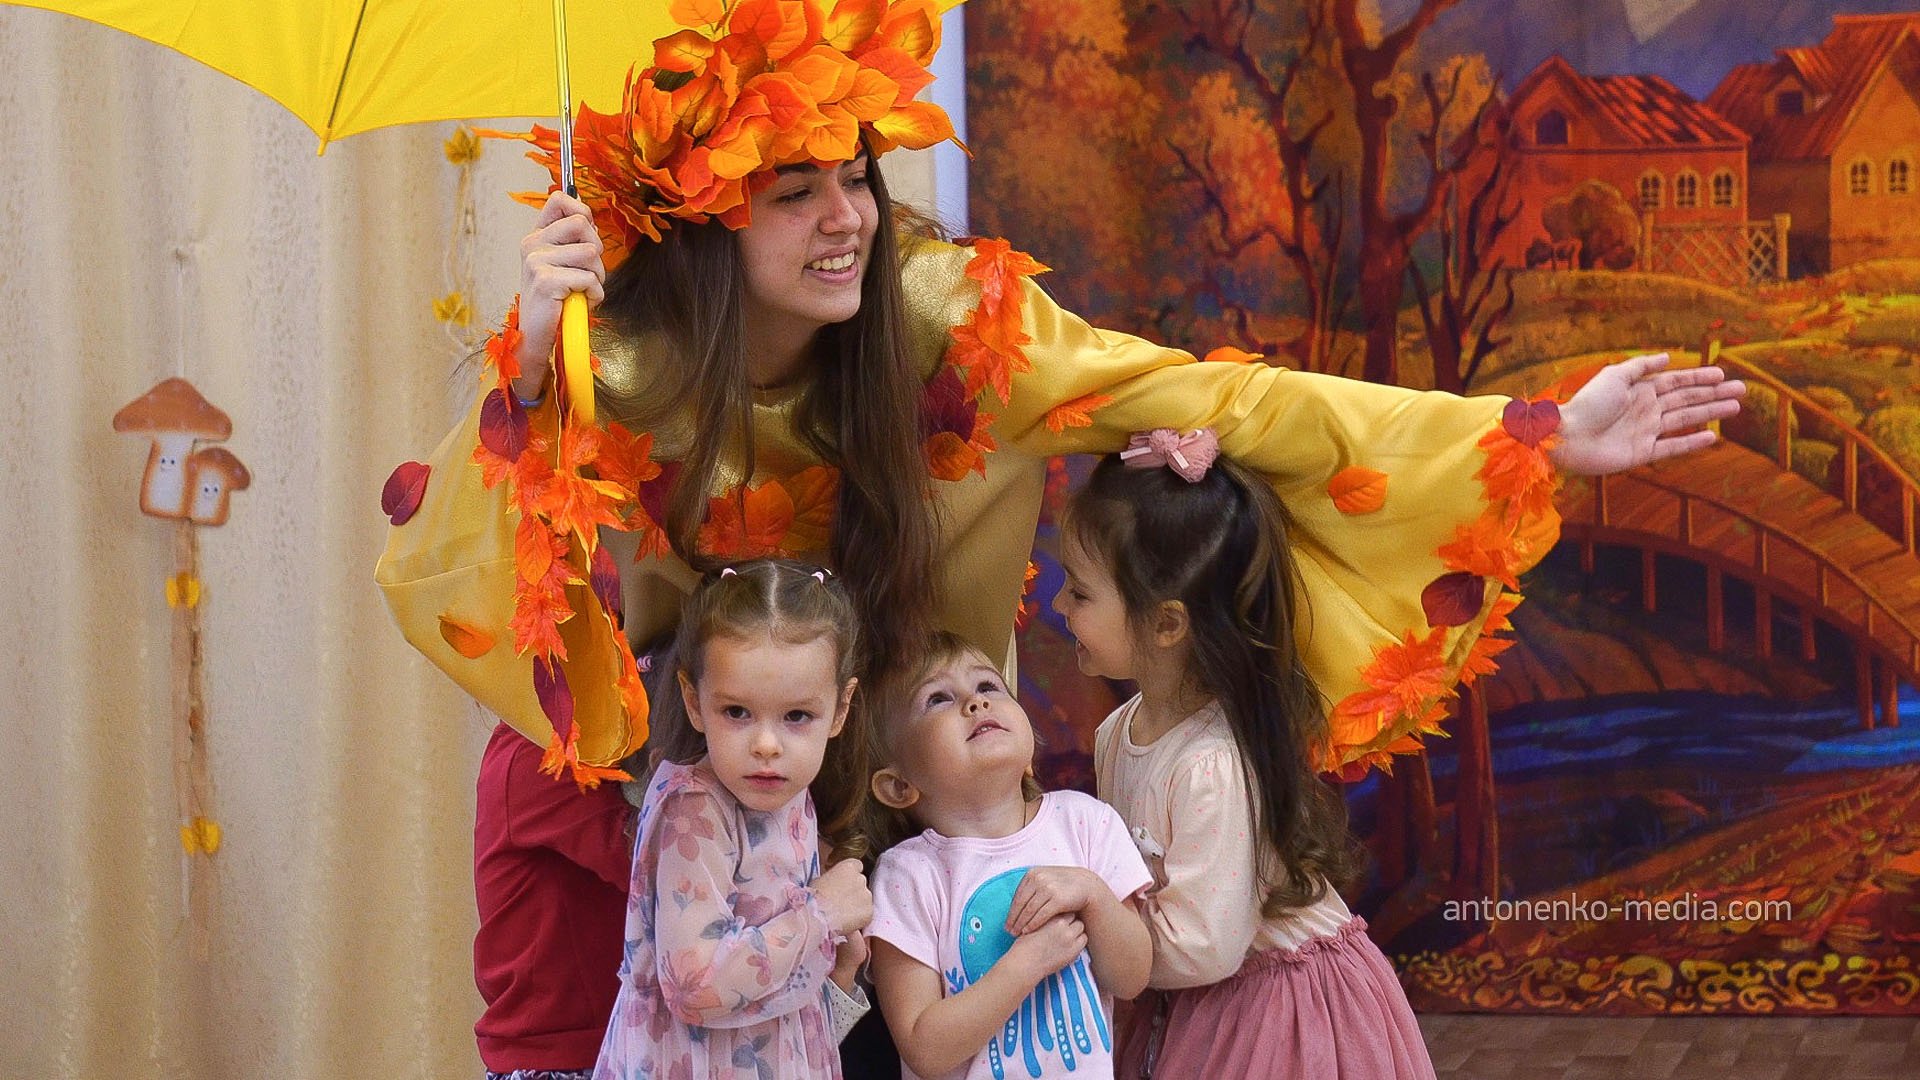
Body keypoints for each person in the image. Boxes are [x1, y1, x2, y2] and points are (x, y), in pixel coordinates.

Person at [372, 0, 1742, 1070]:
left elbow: (1226, 396)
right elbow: (458, 572)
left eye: (854, 176)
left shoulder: (952, 322)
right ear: (700, 219)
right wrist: (534, 390)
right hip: (632, 818)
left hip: (871, 818)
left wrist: (1542, 431)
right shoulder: (613, 363)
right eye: (792, 193)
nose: (846, 217)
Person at [1056, 433, 1438, 1079]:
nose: (1060, 606)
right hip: (1189, 997)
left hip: (1275, 1012)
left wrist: (1092, 918)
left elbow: (1204, 948)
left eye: (1081, 592)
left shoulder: (1210, 765)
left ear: (1166, 623)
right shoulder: (1118, 730)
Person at [593, 559, 874, 1079]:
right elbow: (695, 988)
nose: (766, 744)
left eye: (797, 716)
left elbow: (775, 1004)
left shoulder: (793, 798)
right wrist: (821, 917)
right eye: (737, 712)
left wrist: (836, 965)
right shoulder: (695, 811)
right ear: (694, 702)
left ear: (840, 709)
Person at [863, 631, 1154, 1080]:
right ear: (899, 786)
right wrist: (1027, 962)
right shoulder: (907, 875)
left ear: (1028, 751)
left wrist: (1093, 895)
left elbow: (1132, 977)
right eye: (938, 699)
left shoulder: (1086, 823)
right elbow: (925, 1048)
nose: (975, 703)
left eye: (988, 687)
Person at [473, 721, 635, 1080]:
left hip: (587, 1045)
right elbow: (661, 865)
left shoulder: (553, 740)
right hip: (563, 1057)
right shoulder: (541, 753)